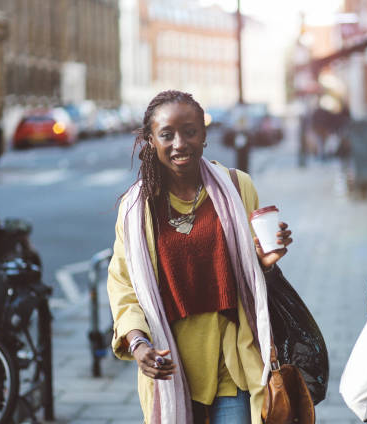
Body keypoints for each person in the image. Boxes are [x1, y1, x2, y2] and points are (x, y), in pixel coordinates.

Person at [107, 90, 293, 424]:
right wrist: (137, 343)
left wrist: (267, 260)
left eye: (190, 131)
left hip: (232, 362)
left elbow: (252, 274)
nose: (180, 143)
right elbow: (123, 286)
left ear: (205, 136)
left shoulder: (237, 187)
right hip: (170, 363)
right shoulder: (136, 209)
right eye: (167, 134)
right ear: (150, 140)